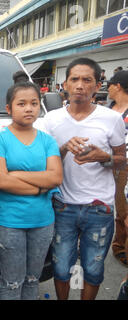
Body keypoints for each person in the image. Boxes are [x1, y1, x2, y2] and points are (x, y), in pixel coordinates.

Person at [44, 57, 126, 300]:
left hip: (98, 207)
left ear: (97, 84)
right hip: (63, 204)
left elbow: (122, 160)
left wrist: (104, 157)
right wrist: (63, 148)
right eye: (74, 79)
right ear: (65, 84)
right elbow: (43, 160)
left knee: (93, 268)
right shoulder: (51, 120)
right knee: (60, 267)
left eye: (87, 80)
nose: (80, 85)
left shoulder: (111, 119)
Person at [0, 81, 62, 300]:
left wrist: (16, 175)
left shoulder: (47, 140)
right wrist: (40, 187)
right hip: (8, 222)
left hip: (42, 222)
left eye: (34, 103)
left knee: (32, 280)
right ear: (8, 108)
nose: (29, 108)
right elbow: (0, 181)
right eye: (21, 104)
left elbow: (56, 177)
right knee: (12, 281)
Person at [108, 71, 128, 266]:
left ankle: (121, 246)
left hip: (125, 165)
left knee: (124, 209)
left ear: (119, 86)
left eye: (110, 84)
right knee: (118, 207)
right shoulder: (108, 109)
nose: (108, 88)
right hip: (107, 163)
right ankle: (119, 245)